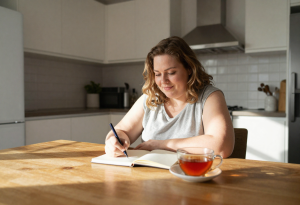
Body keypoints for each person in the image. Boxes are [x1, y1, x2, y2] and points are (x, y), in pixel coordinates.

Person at [105, 36, 234, 158]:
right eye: (158, 74)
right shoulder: (150, 99)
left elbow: (221, 146)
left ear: (189, 68)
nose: (163, 81)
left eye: (171, 72)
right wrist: (113, 140)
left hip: (191, 176)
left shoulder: (209, 97)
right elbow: (121, 131)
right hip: (148, 177)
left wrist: (161, 145)